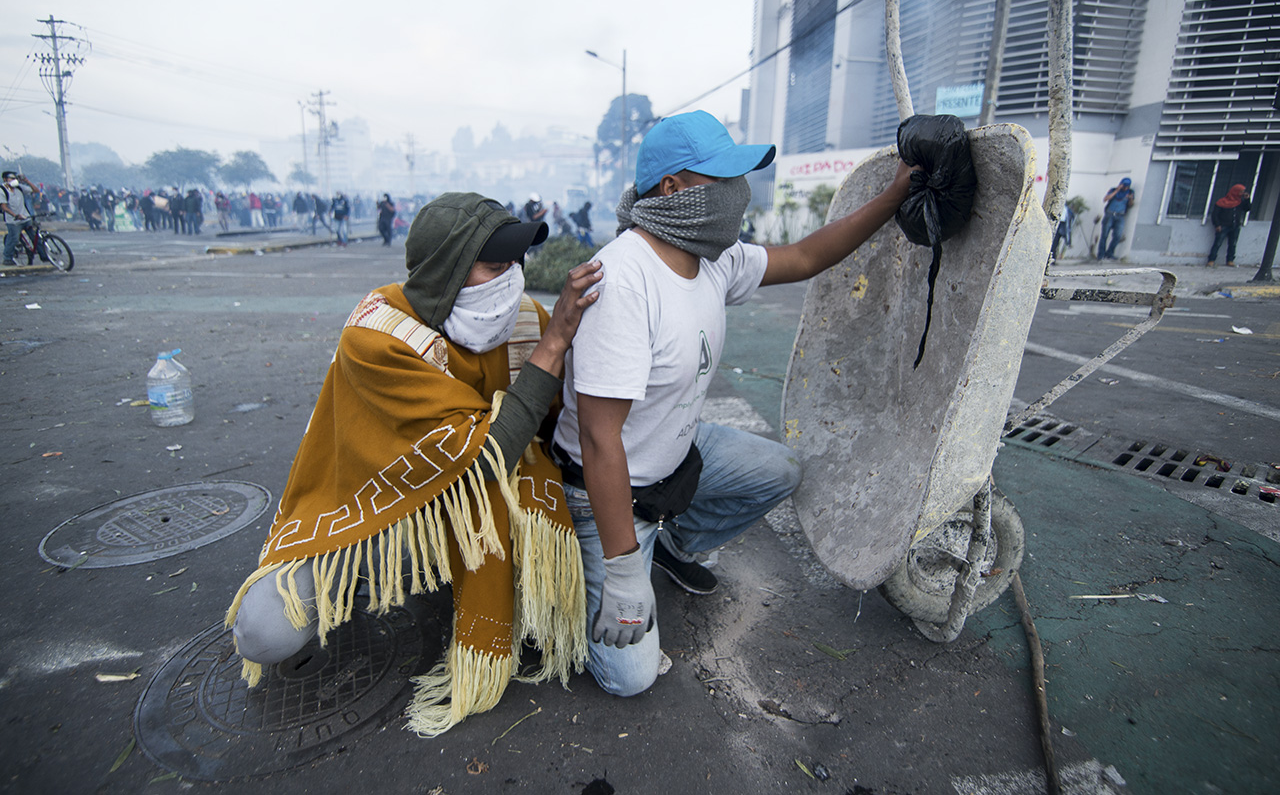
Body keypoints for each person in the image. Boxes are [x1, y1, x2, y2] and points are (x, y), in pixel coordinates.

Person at [550, 110, 917, 697]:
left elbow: (804, 257)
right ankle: (595, 574)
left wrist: (896, 196)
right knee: (630, 678)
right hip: (608, 489)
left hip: (678, 455)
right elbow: (599, 439)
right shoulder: (622, 282)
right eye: (720, 179)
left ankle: (671, 543)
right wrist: (622, 572)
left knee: (783, 470)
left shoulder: (711, 256)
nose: (737, 193)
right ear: (670, 189)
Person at [225, 192, 604, 736]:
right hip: (381, 506)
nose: (512, 279)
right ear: (447, 272)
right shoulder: (375, 335)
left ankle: (473, 571)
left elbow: (551, 423)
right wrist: (558, 340)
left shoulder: (522, 319)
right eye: (494, 266)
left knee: (518, 500)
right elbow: (489, 451)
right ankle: (370, 574)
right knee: (263, 633)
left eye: (515, 265)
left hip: (469, 495)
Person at [1207, 184, 1250, 268]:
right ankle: (1211, 260)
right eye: (1241, 192)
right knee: (1217, 243)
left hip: (1235, 226)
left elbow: (1247, 208)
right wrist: (1217, 224)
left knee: (1233, 244)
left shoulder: (1240, 202)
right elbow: (1215, 214)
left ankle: (1230, 260)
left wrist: (1247, 199)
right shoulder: (1222, 202)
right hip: (1223, 226)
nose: (1242, 193)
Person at [2, 170, 37, 266]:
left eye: (15, 178)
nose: (14, 180)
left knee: (35, 237)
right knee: (13, 238)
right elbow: (4, 207)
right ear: (5, 179)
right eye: (12, 178)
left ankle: (44, 256)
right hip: (13, 220)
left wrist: (27, 181)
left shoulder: (19, 188)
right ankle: (7, 258)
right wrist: (15, 215)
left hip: (25, 217)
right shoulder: (2, 190)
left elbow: (36, 190)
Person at [1097, 177, 1135, 260]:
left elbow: (1131, 205)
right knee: (1104, 235)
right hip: (1110, 214)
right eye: (1124, 186)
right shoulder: (1113, 190)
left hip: (1120, 216)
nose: (1125, 188)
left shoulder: (1130, 192)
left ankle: (1109, 253)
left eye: (1127, 186)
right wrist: (1117, 191)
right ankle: (1100, 254)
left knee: (1118, 235)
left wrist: (1130, 198)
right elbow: (1105, 199)